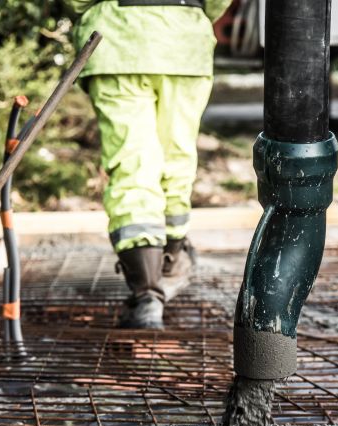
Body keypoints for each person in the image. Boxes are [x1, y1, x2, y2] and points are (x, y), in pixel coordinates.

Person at [68, 0, 232, 328]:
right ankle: (171, 263)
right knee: (177, 158)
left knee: (133, 163)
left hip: (119, 41)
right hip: (184, 43)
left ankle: (146, 296)